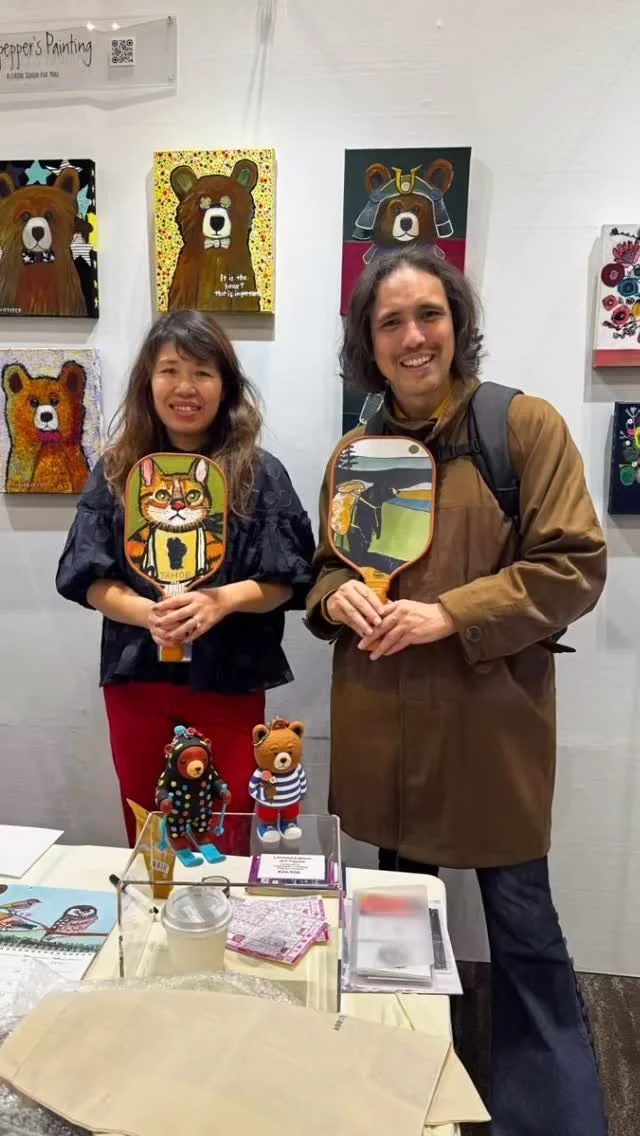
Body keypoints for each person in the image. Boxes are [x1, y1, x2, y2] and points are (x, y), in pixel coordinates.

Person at [305, 248, 608, 1135]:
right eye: (390, 322)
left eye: (428, 314)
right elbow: (327, 568)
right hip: (385, 739)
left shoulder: (524, 427)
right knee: (396, 949)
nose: (413, 337)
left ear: (457, 322)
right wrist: (337, 595)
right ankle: (404, 1106)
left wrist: (450, 614)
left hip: (491, 737)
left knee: (525, 938)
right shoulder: (357, 453)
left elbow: (574, 565)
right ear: (368, 343)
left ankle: (551, 1120)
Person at [57, 309, 315, 848]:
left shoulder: (259, 472)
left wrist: (221, 601)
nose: (185, 387)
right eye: (170, 371)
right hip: (138, 682)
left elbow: (287, 579)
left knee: (228, 826)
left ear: (226, 385)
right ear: (147, 381)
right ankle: (154, 905)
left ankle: (220, 907)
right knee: (150, 826)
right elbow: (89, 577)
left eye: (202, 372)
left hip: (230, 681)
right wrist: (147, 614)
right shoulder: (117, 470)